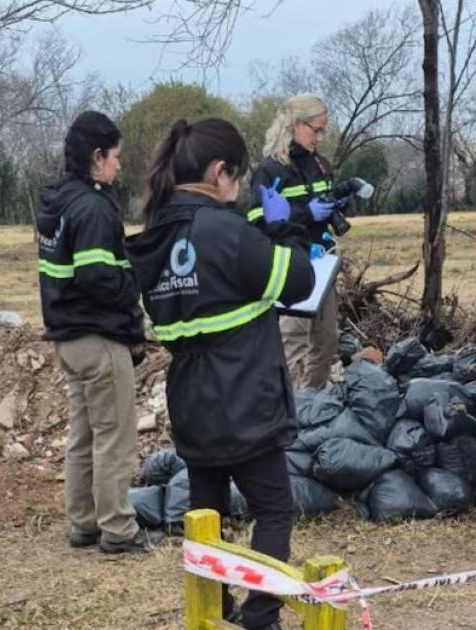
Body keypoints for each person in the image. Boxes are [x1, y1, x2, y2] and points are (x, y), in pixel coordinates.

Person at [125, 118, 314, 630]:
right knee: (273, 510)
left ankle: (213, 611)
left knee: (205, 515)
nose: (238, 189)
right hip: (246, 397)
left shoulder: (155, 237)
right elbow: (298, 280)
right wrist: (284, 226)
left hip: (192, 398)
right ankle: (259, 616)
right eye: (238, 177)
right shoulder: (226, 231)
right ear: (218, 171)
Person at [36, 111, 161, 553]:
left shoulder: (60, 203)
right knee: (115, 438)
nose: (120, 165)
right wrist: (137, 286)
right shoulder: (92, 209)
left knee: (83, 435)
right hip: (99, 338)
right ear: (96, 157)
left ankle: (83, 523)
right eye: (116, 156)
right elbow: (99, 279)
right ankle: (118, 531)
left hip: (68, 339)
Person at [244, 94, 351, 390]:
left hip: (322, 262)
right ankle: (287, 411)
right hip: (289, 263)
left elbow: (326, 207)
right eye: (315, 129)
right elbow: (258, 223)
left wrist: (340, 205)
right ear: (294, 124)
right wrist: (306, 213)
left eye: (323, 130)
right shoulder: (270, 170)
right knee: (293, 341)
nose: (320, 137)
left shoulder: (321, 165)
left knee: (327, 339)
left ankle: (313, 403)